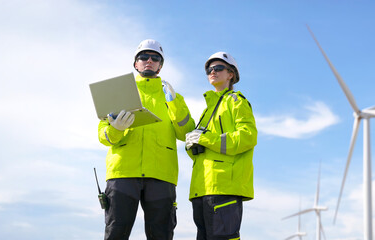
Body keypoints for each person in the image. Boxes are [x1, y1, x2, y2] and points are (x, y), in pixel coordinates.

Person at [98, 39, 195, 240]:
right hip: (123, 172)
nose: (149, 60)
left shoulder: (173, 97)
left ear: (161, 65)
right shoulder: (119, 92)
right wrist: (116, 129)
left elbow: (186, 132)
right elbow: (103, 136)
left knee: (161, 234)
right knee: (116, 232)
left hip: (161, 174)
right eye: (143, 57)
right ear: (136, 63)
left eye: (155, 58)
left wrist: (174, 103)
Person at [185, 52, 258, 240]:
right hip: (201, 188)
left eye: (218, 68)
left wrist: (207, 139)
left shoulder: (236, 101)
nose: (213, 72)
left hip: (224, 186)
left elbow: (247, 137)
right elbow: (203, 151)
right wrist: (192, 145)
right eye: (209, 69)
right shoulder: (207, 110)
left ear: (230, 74)